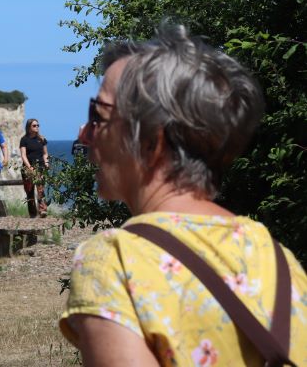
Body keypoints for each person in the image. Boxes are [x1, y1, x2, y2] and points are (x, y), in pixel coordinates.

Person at [59, 24, 306, 366]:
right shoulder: (279, 261)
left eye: (97, 115)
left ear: (151, 140)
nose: (84, 133)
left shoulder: (116, 261)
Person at [19, 118, 49, 217]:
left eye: (37, 125)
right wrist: (29, 167)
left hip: (40, 167)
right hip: (28, 169)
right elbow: (23, 155)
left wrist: (47, 163)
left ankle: (42, 210)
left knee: (40, 190)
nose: (36, 127)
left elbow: (45, 154)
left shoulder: (42, 139)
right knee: (29, 191)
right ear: (29, 127)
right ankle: (32, 214)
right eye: (34, 125)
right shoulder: (24, 140)